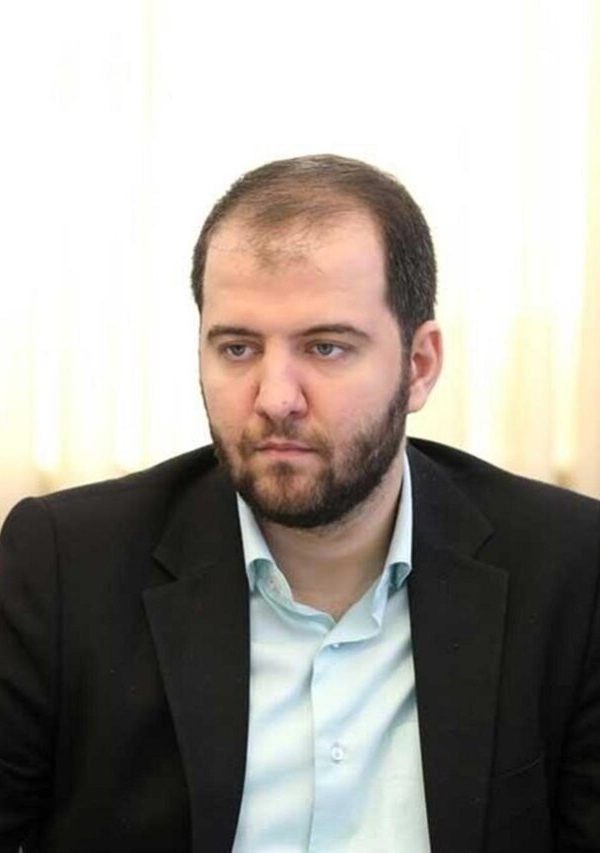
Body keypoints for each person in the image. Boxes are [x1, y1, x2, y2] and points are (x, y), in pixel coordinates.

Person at [0, 154, 598, 853]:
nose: (275, 397)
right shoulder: (64, 565)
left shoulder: (569, 571)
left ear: (420, 365)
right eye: (238, 348)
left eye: (326, 347)